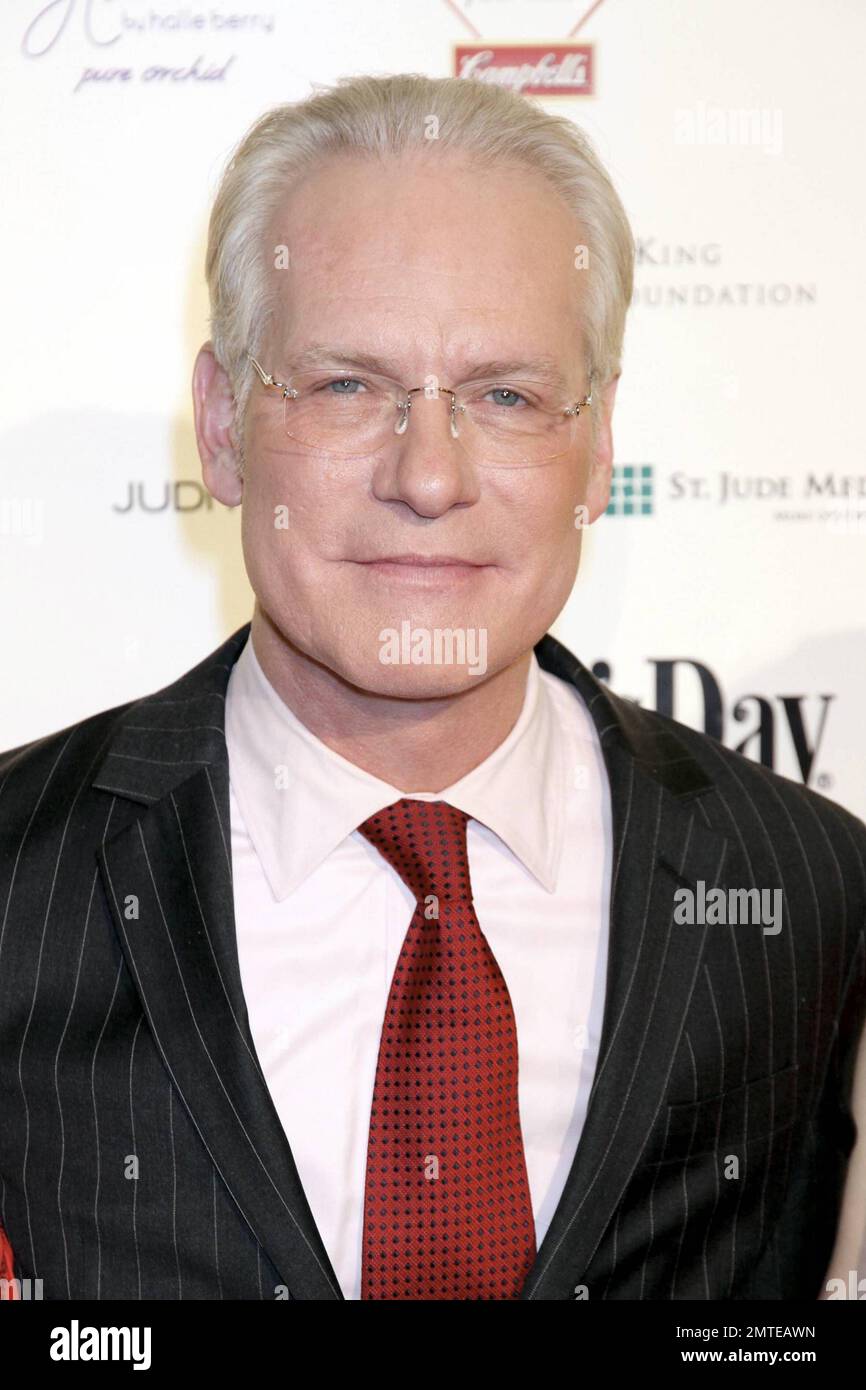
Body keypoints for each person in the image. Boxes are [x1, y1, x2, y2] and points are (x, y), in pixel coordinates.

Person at [0, 72, 864, 1302]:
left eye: (504, 396)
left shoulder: (803, 893)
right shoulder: (16, 884)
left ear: (597, 440)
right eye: (347, 384)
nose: (426, 475)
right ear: (224, 423)